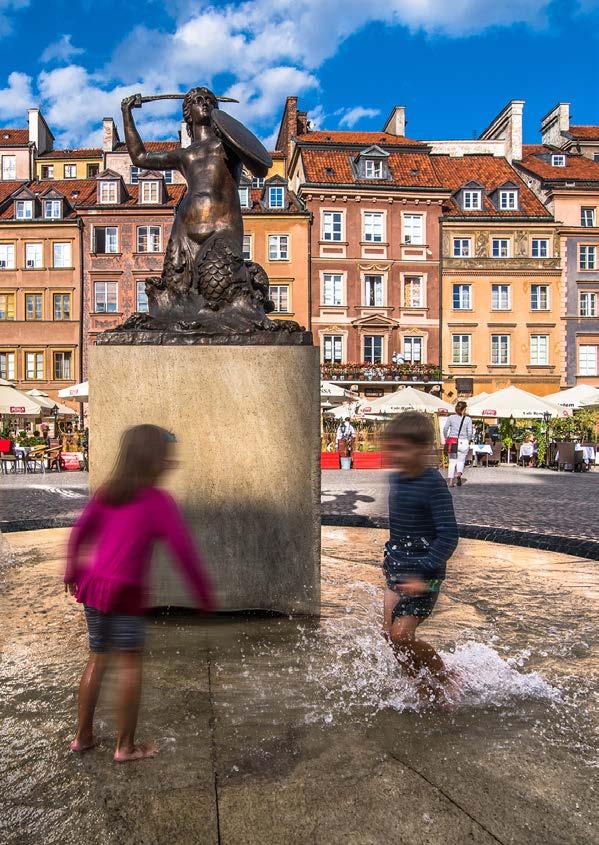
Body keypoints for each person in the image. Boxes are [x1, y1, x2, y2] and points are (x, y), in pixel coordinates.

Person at [64, 424, 215, 762]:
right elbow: (184, 552)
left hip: (93, 587)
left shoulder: (108, 492)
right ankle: (125, 746)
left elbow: (79, 533)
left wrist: (72, 570)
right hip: (126, 593)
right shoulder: (159, 502)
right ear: (152, 461)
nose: (170, 464)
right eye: (166, 458)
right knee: (130, 665)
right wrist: (203, 594)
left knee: (97, 658)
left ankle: (82, 737)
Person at [382, 412, 459, 704]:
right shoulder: (397, 481)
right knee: (389, 636)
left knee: (402, 636)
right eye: (392, 448)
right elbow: (399, 527)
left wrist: (422, 574)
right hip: (397, 571)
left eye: (401, 449)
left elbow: (449, 536)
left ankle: (443, 674)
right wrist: (389, 556)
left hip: (425, 575)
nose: (394, 455)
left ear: (423, 448)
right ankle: (420, 686)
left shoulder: (432, 485)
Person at [443, 401, 473, 488]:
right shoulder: (468, 419)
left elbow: (445, 429)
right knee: (461, 461)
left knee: (452, 462)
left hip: (452, 441)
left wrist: (446, 438)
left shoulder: (451, 417)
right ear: (463, 409)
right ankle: (459, 474)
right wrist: (468, 440)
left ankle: (451, 482)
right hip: (463, 442)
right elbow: (470, 432)